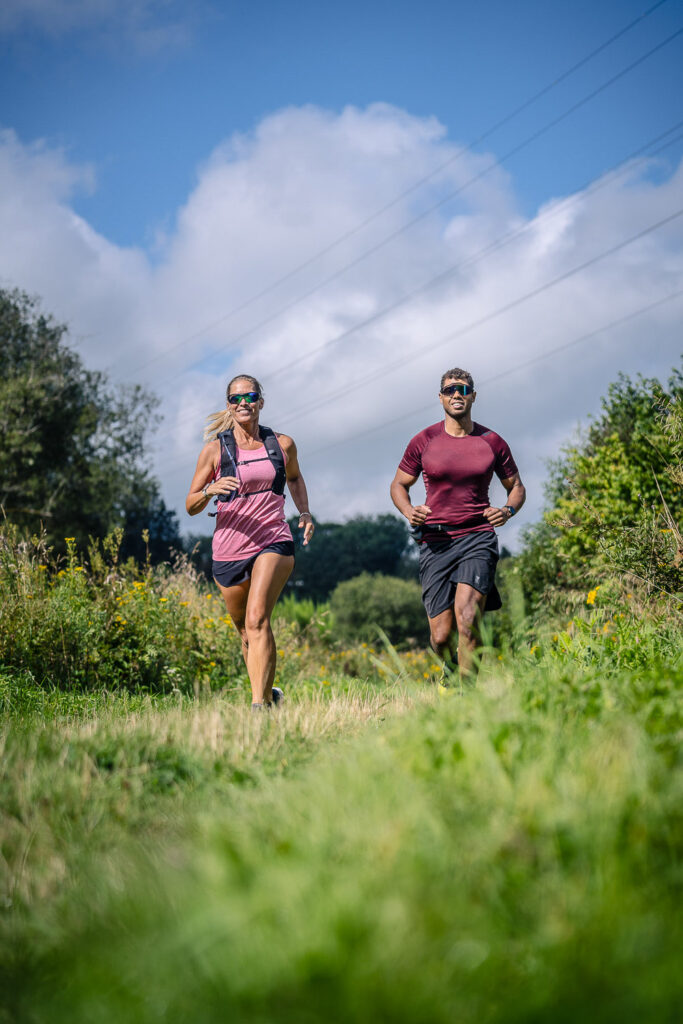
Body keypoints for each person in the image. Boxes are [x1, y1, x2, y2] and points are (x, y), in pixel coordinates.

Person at [186, 374, 314, 710]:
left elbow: (295, 478)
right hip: (229, 549)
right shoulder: (214, 451)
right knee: (246, 632)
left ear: (260, 402)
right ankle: (269, 697)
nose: (243, 403)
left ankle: (258, 708)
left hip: (273, 539)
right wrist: (209, 490)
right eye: (236, 398)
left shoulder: (282, 444)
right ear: (229, 405)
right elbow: (190, 505)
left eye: (250, 396)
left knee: (257, 619)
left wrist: (304, 513)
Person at [390, 367, 525, 682]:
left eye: (463, 389)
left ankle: (468, 695)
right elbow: (398, 485)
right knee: (441, 637)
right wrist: (409, 511)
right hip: (436, 542)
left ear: (473, 396)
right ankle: (451, 672)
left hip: (478, 537)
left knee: (467, 617)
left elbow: (517, 487)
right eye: (450, 390)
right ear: (440, 398)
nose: (456, 395)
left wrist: (507, 511)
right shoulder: (424, 440)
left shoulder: (492, 441)